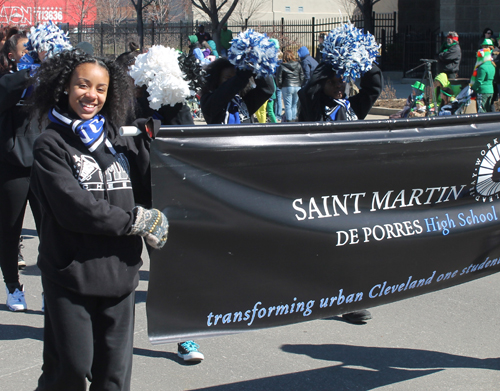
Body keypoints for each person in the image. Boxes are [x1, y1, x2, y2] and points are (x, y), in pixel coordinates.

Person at [28, 49, 168, 390]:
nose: (91, 95)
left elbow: (152, 187)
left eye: (101, 89)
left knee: (114, 378)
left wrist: (156, 135)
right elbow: (74, 207)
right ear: (65, 87)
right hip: (70, 275)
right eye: (83, 85)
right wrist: (134, 222)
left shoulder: (119, 138)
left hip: (120, 275)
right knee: (71, 371)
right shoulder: (51, 143)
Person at [123, 45, 205, 362]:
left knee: (172, 268)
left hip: (167, 198)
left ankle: (184, 336)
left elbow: (188, 140)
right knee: (122, 270)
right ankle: (109, 334)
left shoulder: (175, 103)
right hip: (130, 200)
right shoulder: (125, 104)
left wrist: (171, 100)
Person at [0, 31, 44, 311]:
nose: (31, 52)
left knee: (51, 231)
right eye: (25, 49)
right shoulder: (7, 80)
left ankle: (52, 289)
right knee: (9, 230)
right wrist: (30, 70)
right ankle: (13, 287)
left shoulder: (47, 82)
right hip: (11, 166)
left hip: (42, 165)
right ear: (11, 54)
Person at [298, 62, 382, 122]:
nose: (338, 85)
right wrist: (329, 63)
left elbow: (373, 87)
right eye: (331, 82)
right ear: (321, 84)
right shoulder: (315, 107)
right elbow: (307, 92)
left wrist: (363, 61)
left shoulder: (353, 106)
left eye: (341, 81)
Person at [200, 57, 274, 124]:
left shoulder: (243, 99)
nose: (232, 81)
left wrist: (258, 66)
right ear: (216, 79)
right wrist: (244, 71)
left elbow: (267, 89)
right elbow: (226, 91)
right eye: (228, 78)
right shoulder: (208, 99)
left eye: (234, 78)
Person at [276, 50, 304, 122]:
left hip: (287, 86)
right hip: (297, 86)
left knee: (287, 106)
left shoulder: (282, 65)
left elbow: (279, 78)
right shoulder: (298, 64)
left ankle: (289, 121)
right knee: (294, 105)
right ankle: (294, 120)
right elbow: (302, 76)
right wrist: (300, 84)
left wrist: (280, 86)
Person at [470, 46, 496, 113]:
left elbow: (479, 81)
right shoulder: (492, 65)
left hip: (482, 91)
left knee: (481, 111)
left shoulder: (482, 67)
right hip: (490, 90)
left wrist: (472, 88)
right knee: (487, 110)